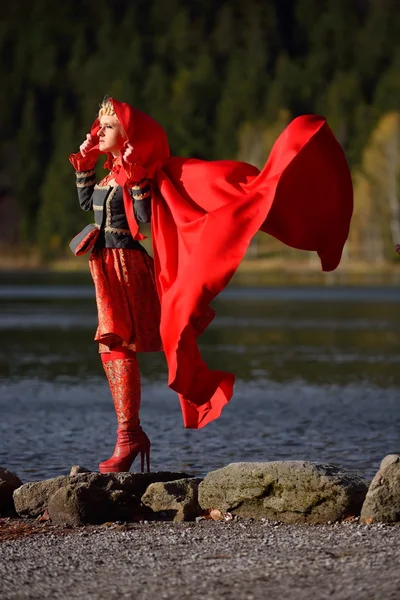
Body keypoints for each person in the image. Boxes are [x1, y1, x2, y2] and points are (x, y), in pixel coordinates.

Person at [70, 96, 354, 473]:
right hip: (102, 266)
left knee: (115, 341)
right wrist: (86, 163)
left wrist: (137, 176)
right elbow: (86, 201)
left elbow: (144, 219)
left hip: (127, 265)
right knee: (113, 347)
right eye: (98, 126)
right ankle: (130, 434)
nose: (98, 132)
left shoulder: (137, 172)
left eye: (108, 127)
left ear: (128, 136)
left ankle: (129, 436)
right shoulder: (109, 175)